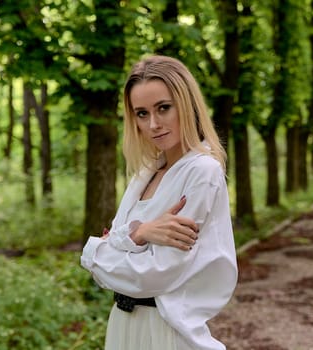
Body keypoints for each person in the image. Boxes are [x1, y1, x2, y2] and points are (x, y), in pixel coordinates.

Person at [80, 55, 237, 350]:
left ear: (187, 104)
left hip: (165, 330)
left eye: (163, 108)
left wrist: (93, 254)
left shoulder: (201, 172)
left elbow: (157, 273)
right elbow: (118, 241)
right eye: (141, 113)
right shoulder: (145, 172)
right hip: (123, 324)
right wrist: (141, 233)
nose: (153, 124)